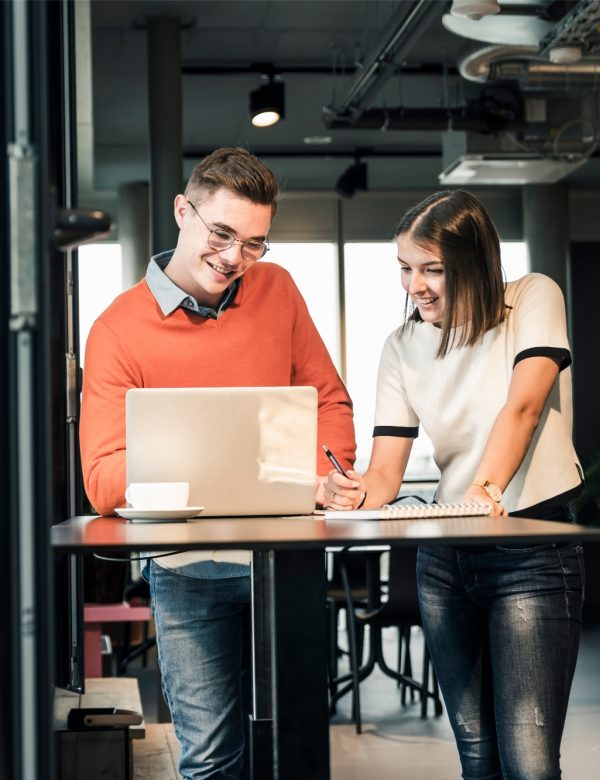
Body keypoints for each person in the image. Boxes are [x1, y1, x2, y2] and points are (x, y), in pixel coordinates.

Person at [79, 146, 356, 780]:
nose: (234, 257)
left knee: (296, 751)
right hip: (185, 571)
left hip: (284, 561)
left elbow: (329, 402)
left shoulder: (278, 290)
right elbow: (102, 481)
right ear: (184, 211)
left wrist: (329, 474)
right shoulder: (117, 330)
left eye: (254, 243)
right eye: (221, 233)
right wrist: (203, 455)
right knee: (210, 760)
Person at [325, 190, 584, 779]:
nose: (414, 286)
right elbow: (385, 473)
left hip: (529, 548)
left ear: (474, 261)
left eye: (432, 270)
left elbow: (523, 406)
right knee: (477, 758)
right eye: (405, 268)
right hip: (444, 559)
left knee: (529, 763)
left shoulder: (532, 297)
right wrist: (353, 491)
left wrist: (485, 489)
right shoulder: (401, 346)